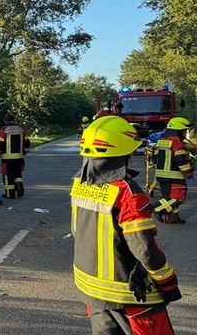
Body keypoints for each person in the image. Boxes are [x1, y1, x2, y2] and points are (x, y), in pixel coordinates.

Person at [73, 115, 181, 334]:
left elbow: (77, 230)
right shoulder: (127, 193)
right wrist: (168, 281)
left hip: (91, 289)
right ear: (126, 152)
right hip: (129, 295)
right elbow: (145, 250)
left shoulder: (80, 182)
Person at [152, 116, 194, 224]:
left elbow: (155, 158)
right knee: (177, 198)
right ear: (179, 131)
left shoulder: (161, 141)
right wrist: (189, 171)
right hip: (175, 176)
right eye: (184, 131)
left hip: (161, 175)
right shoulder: (177, 142)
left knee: (168, 198)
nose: (185, 133)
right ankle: (157, 209)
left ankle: (172, 218)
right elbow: (180, 160)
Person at [0, 113, 30, 198]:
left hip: (7, 158)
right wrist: (25, 151)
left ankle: (10, 193)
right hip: (19, 157)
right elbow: (27, 142)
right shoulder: (21, 130)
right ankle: (20, 187)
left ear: (5, 120)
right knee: (18, 174)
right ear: (14, 120)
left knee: (7, 175)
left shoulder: (3, 131)